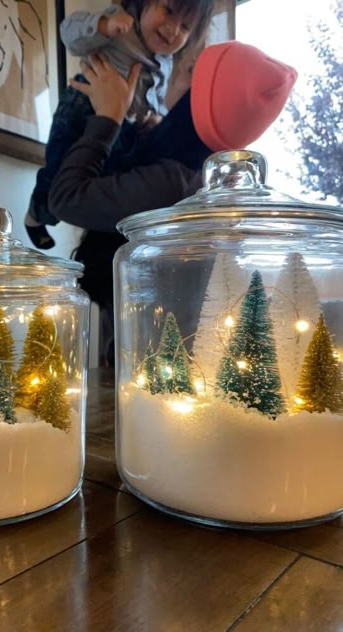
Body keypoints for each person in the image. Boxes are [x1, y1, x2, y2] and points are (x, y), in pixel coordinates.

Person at [48, 42, 298, 366]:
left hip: (155, 375)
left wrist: (108, 119)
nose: (171, 74)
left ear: (197, 93)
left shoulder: (172, 183)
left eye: (187, 68)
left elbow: (66, 198)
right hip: (175, 368)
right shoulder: (198, 180)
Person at [25, 0, 215, 249]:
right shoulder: (120, 24)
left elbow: (155, 98)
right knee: (56, 167)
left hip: (124, 125)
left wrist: (154, 118)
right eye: (168, 12)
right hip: (82, 107)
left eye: (185, 27)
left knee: (106, 176)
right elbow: (69, 33)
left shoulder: (166, 63)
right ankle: (35, 216)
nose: (172, 30)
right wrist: (104, 25)